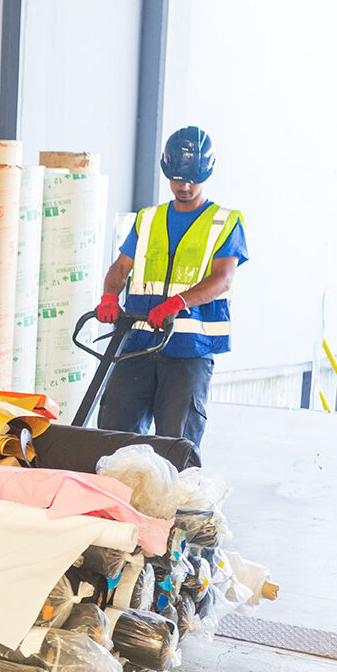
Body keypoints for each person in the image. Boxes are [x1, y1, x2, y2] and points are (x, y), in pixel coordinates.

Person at [93, 125, 248, 451]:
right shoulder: (148, 219)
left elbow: (223, 278)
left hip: (189, 349)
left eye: (192, 178)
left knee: (175, 441)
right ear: (167, 172)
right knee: (113, 429)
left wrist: (176, 303)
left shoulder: (225, 222)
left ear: (206, 174)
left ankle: (173, 501)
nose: (185, 186)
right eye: (177, 178)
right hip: (138, 341)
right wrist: (109, 295)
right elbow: (121, 268)